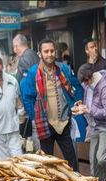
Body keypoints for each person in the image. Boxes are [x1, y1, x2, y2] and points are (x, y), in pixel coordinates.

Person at [21, 38, 83, 171]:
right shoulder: (33, 73)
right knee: (47, 164)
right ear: (40, 54)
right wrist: (34, 118)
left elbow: (76, 86)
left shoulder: (63, 68)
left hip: (64, 122)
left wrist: (77, 102)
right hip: (44, 124)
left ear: (56, 52)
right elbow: (28, 97)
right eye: (46, 51)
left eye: (52, 51)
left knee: (71, 161)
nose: (49, 54)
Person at [75, 63, 106, 181]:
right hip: (94, 124)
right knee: (94, 163)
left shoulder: (105, 87)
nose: (84, 85)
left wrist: (89, 110)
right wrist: (82, 105)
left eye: (86, 82)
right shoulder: (87, 85)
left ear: (91, 78)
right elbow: (89, 102)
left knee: (102, 158)